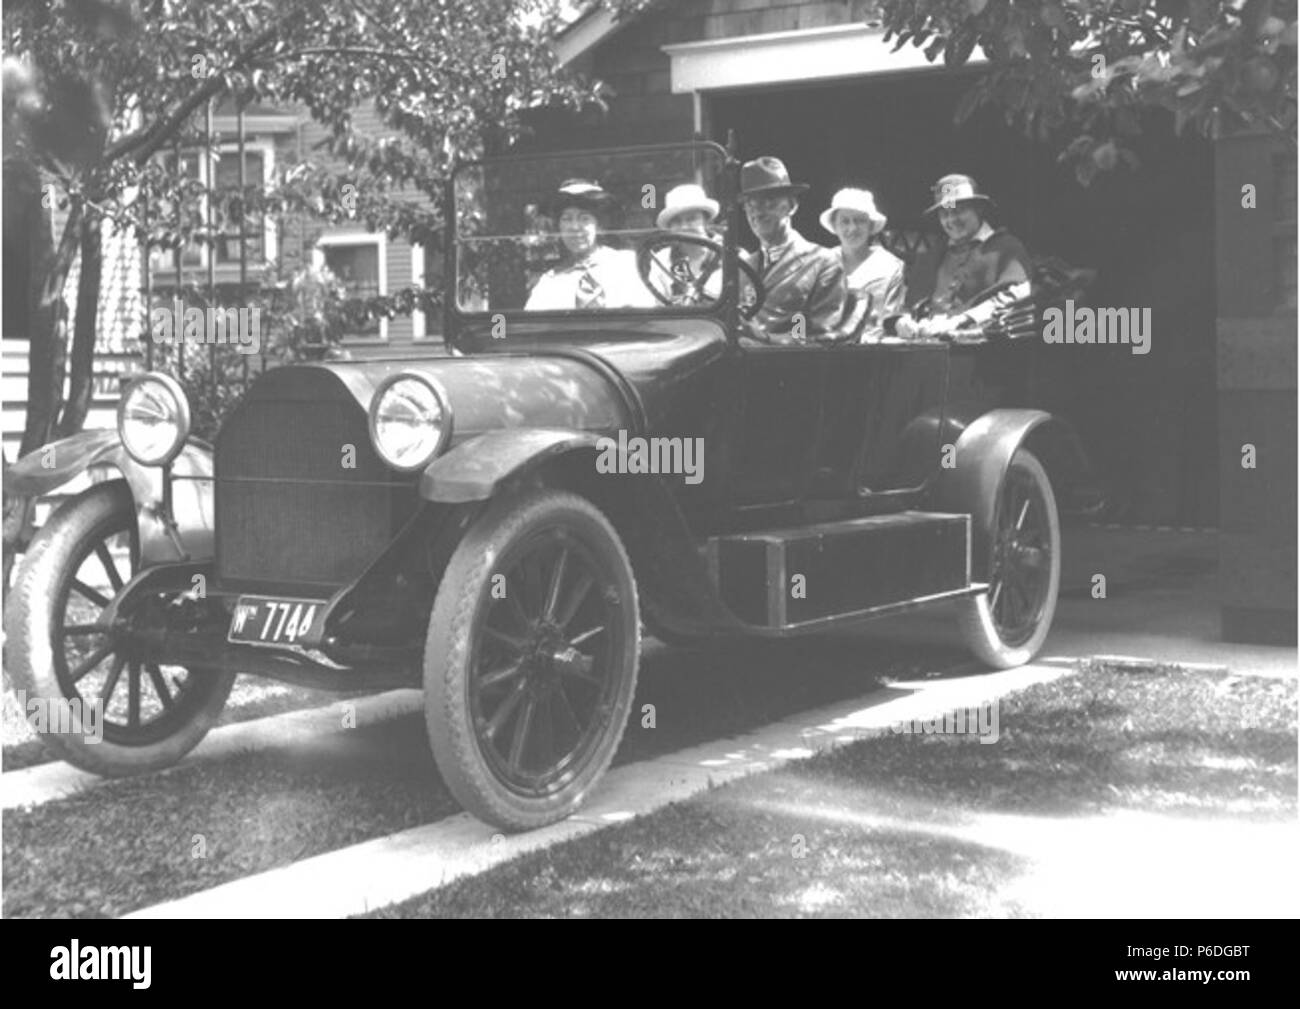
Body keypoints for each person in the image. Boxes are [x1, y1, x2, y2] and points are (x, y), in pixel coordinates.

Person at [894, 173, 1031, 339]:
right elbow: (909, 305)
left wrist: (964, 320)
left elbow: (1017, 295)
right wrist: (903, 321)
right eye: (944, 214)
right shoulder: (931, 256)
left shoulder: (1006, 248)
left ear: (978, 209)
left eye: (958, 211)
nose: (951, 220)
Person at [737, 157, 843, 345]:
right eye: (750, 205)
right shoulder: (743, 268)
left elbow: (811, 333)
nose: (757, 213)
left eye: (768, 202)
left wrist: (764, 338)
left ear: (792, 206)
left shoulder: (821, 262)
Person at [525, 179, 655, 310]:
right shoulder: (549, 282)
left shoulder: (630, 264)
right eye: (567, 219)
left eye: (584, 218)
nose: (574, 227)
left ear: (599, 225)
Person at [818, 187, 905, 342]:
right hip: (825, 352)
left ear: (871, 226)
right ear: (835, 226)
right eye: (845, 221)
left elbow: (893, 321)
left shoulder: (890, 266)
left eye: (859, 221)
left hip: (873, 353)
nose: (852, 228)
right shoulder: (819, 263)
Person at [647, 182, 723, 305]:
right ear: (670, 228)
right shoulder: (661, 261)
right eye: (677, 221)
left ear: (705, 221)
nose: (684, 227)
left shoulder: (732, 256)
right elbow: (657, 308)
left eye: (691, 219)